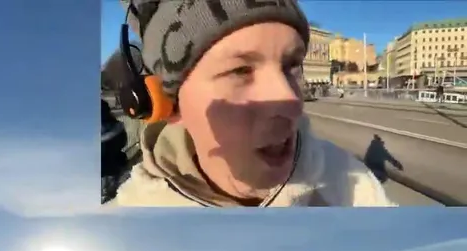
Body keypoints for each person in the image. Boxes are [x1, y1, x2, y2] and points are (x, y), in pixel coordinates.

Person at [109, 0, 393, 207]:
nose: (291, 100)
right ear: (168, 103)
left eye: (291, 65)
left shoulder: (354, 184)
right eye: (240, 71)